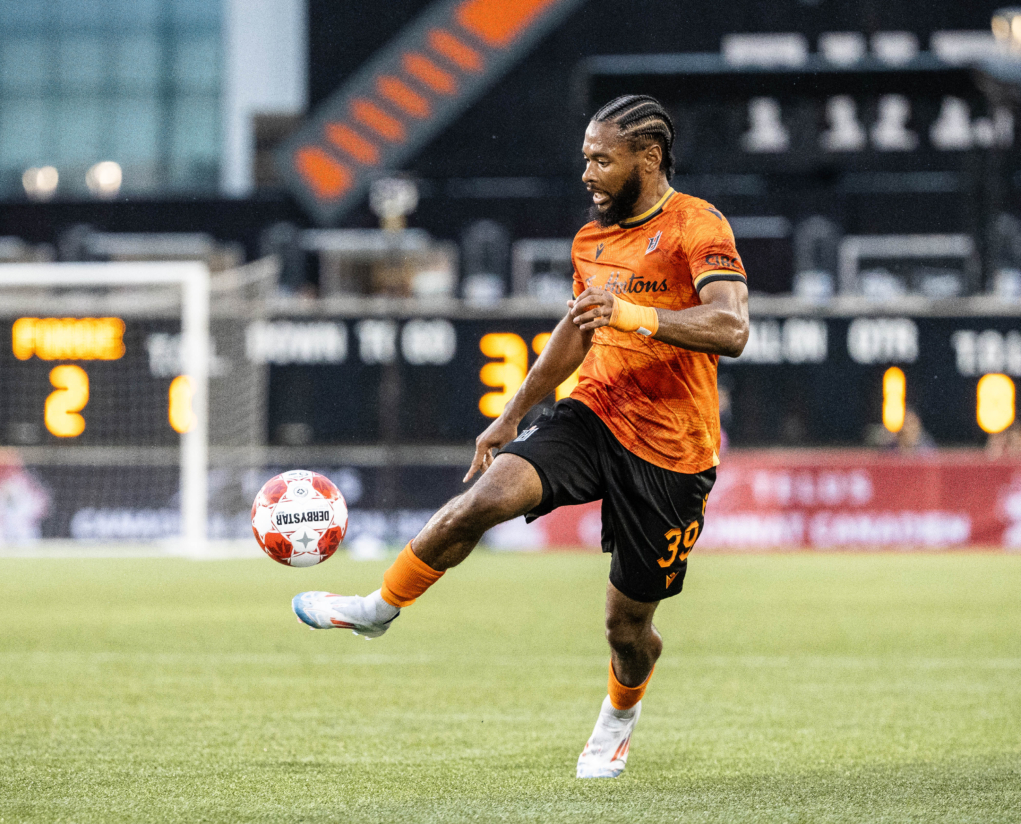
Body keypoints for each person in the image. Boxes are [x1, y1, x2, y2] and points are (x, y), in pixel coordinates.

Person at [292, 94, 750, 779]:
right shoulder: (590, 241)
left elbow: (732, 328)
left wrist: (634, 314)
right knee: (482, 500)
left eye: (602, 158)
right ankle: (377, 608)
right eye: (585, 158)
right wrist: (514, 412)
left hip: (673, 456)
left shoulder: (696, 226)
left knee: (627, 631)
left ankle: (617, 720)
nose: (588, 172)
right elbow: (577, 328)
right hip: (594, 413)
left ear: (648, 158)